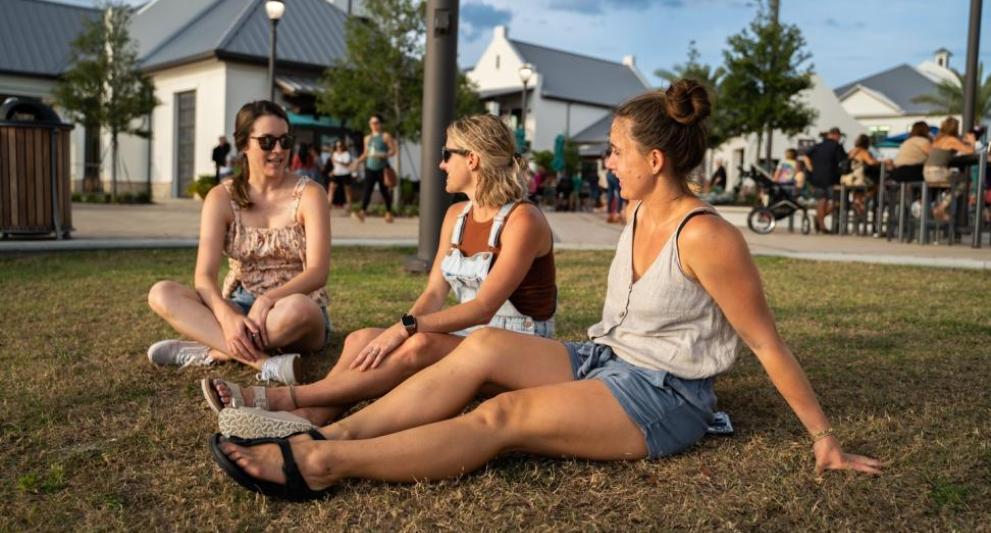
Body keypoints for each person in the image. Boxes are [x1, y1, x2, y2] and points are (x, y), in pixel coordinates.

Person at [211, 81, 882, 501]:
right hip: (606, 357)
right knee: (480, 349)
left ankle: (322, 461)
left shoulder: (707, 235)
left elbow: (765, 342)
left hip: (662, 395)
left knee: (502, 418)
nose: (607, 163)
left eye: (615, 152)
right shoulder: (639, 210)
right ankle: (321, 426)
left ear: (654, 160)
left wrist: (823, 436)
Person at [204, 113, 558, 433]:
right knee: (361, 339)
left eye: (447, 154)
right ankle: (312, 417)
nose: (441, 164)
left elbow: (483, 308)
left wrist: (406, 329)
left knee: (418, 344)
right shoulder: (457, 216)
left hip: (518, 349)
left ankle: (284, 399)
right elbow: (434, 292)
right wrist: (398, 331)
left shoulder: (523, 220)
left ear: (472, 160)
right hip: (476, 337)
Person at [146, 100, 332, 386]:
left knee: (299, 309)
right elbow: (204, 277)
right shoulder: (221, 198)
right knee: (161, 293)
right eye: (267, 141)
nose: (279, 150)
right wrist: (226, 316)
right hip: (241, 306)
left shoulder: (310, 194)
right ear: (244, 144)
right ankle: (265, 363)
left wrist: (268, 300)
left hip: (295, 309)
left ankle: (214, 348)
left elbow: (318, 272)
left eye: (285, 141)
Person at [924, 117, 975, 222]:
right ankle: (942, 207)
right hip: (937, 172)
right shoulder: (951, 140)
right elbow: (970, 151)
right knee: (965, 180)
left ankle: (943, 210)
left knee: (953, 181)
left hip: (926, 172)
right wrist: (972, 141)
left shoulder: (937, 140)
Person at [354, 114, 398, 223]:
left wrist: (382, 154)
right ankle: (362, 212)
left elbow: (393, 151)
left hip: (382, 168)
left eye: (376, 122)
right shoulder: (367, 138)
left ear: (380, 124)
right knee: (367, 190)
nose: (373, 125)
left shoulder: (385, 136)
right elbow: (366, 153)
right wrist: (357, 161)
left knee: (384, 191)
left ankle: (389, 212)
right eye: (371, 123)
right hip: (370, 167)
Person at [802, 127, 846, 233]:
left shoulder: (818, 146)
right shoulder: (837, 146)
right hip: (831, 178)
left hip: (816, 177)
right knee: (837, 202)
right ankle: (820, 221)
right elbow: (843, 161)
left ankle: (820, 222)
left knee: (822, 200)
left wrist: (811, 168)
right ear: (836, 135)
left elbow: (805, 156)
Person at [843, 135, 882, 217]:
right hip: (859, 179)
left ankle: (857, 201)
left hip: (848, 179)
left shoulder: (851, 152)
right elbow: (871, 162)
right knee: (877, 186)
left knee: (857, 190)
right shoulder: (864, 152)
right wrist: (882, 162)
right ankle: (862, 200)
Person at [325, 139, 355, 212]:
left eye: (340, 146)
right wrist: (332, 171)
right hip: (336, 174)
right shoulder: (334, 154)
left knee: (347, 191)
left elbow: (347, 164)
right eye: (337, 146)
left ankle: (350, 206)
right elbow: (335, 166)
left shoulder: (346, 154)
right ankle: (328, 206)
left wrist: (337, 161)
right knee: (331, 189)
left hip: (345, 174)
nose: (338, 147)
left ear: (343, 146)